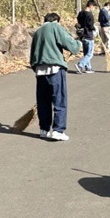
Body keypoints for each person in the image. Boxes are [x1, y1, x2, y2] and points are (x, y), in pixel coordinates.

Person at [29, 13, 82, 141]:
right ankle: (58, 130)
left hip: (40, 72)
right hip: (55, 69)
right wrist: (78, 42)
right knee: (59, 99)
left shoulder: (37, 32)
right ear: (56, 20)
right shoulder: (55, 27)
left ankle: (44, 129)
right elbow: (72, 46)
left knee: (43, 101)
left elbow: (32, 56)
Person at [75, 0, 98, 73]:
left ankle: (88, 68)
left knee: (86, 52)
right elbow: (90, 26)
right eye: (94, 7)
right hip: (88, 35)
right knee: (90, 54)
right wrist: (94, 28)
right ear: (91, 6)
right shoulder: (90, 15)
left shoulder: (81, 13)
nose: (93, 9)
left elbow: (78, 21)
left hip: (82, 35)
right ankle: (80, 64)